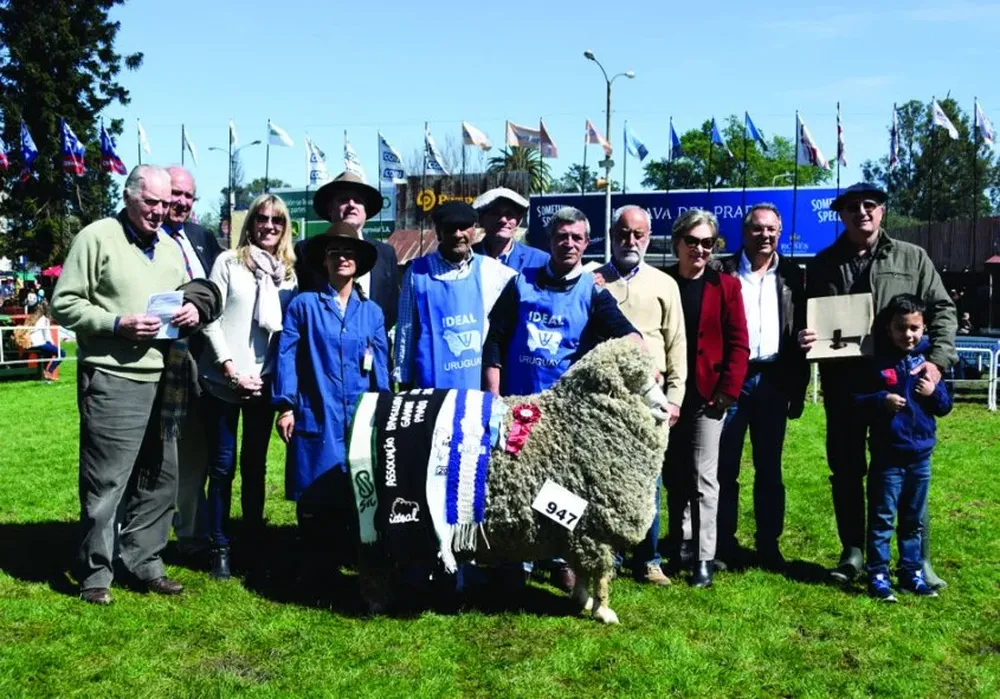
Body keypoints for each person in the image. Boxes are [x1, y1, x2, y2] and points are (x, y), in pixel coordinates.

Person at [51, 165, 202, 605]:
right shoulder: (97, 237)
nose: (159, 210)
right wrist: (116, 324)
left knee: (162, 479)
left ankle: (144, 561)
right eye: (150, 202)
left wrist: (190, 311)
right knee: (107, 482)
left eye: (165, 203)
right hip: (115, 377)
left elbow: (183, 297)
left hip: (165, 376)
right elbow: (64, 303)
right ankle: (96, 573)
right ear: (129, 196)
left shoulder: (171, 249)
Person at [798, 182, 956, 588]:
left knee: (905, 470)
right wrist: (805, 336)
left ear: (882, 211)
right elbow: (806, 318)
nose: (862, 212)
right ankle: (852, 552)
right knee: (846, 469)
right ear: (841, 214)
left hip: (902, 387)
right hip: (845, 386)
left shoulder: (912, 257)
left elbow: (943, 310)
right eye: (852, 207)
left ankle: (917, 560)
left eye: (870, 205)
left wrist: (937, 363)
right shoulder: (822, 265)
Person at [482, 206, 644, 592]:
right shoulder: (520, 283)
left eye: (576, 238)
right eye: (561, 237)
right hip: (519, 408)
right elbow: (495, 341)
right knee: (516, 482)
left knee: (562, 487)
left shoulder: (594, 291)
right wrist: (493, 399)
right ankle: (516, 558)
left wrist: (639, 362)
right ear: (549, 242)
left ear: (586, 243)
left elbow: (628, 336)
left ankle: (560, 559)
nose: (568, 243)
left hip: (566, 417)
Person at [273, 223, 390, 577]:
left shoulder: (372, 312)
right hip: (317, 408)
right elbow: (287, 356)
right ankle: (314, 561)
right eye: (335, 253)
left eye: (349, 253)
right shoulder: (303, 306)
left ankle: (354, 554)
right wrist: (286, 404)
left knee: (359, 485)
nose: (343, 259)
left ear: (359, 263)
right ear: (324, 261)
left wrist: (385, 410)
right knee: (315, 488)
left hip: (359, 414)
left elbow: (380, 365)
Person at [199, 194, 298, 579]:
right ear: (251, 222)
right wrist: (230, 369)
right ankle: (219, 546)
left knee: (254, 467)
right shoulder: (228, 262)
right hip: (223, 380)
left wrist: (265, 376)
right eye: (262, 218)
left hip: (262, 384)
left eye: (277, 219)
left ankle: (253, 541)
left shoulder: (288, 273)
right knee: (222, 467)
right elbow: (209, 319)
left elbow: (287, 335)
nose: (269, 225)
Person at [595, 204, 685, 586]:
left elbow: (676, 343)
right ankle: (608, 555)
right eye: (622, 233)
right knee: (603, 477)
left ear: (649, 237)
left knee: (649, 479)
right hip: (604, 399)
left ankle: (648, 558)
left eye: (638, 234)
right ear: (612, 234)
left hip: (651, 399)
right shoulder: (592, 279)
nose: (630, 241)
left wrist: (676, 396)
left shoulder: (665, 284)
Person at [716, 203, 808, 570]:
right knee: (723, 468)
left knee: (769, 469)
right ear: (744, 232)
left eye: (771, 229)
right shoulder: (719, 270)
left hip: (774, 380)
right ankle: (722, 542)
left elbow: (805, 326)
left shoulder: (794, 276)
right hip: (731, 380)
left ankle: (768, 545)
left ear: (780, 233)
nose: (764, 235)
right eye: (757, 229)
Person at [663, 209, 749, 589]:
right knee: (673, 475)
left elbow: (739, 343)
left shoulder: (727, 286)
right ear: (677, 242)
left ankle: (704, 557)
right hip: (666, 397)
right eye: (692, 242)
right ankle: (679, 544)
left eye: (707, 243)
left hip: (707, 397)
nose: (700, 249)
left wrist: (727, 393)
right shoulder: (661, 281)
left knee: (703, 478)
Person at [853, 294, 952, 601]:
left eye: (914, 328)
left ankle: (911, 572)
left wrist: (933, 391)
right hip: (888, 456)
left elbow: (945, 406)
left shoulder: (928, 364)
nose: (908, 335)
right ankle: (878, 573)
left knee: (912, 519)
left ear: (923, 329)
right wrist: (880, 401)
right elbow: (857, 400)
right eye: (901, 328)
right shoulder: (876, 361)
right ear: (888, 328)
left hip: (920, 457)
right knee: (883, 518)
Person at [162, 165, 224, 558]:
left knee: (196, 452)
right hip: (157, 359)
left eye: (189, 196)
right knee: (155, 449)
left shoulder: (202, 238)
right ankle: (137, 529)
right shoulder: (142, 237)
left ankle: (190, 531)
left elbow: (216, 291)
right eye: (175, 194)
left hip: (200, 363)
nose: (182, 202)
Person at [395, 201, 516, 390]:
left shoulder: (492, 270)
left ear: (474, 230)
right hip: (429, 387)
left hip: (475, 385)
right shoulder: (416, 272)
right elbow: (405, 331)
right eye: (450, 228)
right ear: (438, 231)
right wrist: (403, 381)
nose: (458, 234)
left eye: (464, 227)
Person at [294, 171, 400, 330]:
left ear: (365, 212)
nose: (351, 204)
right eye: (343, 200)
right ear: (330, 209)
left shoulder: (385, 253)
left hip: (371, 348)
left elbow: (391, 309)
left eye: (358, 201)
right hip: (321, 351)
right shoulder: (306, 251)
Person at [471, 187, 550, 272]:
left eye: (510, 214)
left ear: (519, 221)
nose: (503, 220)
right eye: (495, 213)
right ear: (480, 219)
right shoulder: (466, 258)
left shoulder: (539, 261)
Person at [23, 301, 67, 381]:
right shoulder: (44, 319)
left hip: (30, 344)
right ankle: (49, 372)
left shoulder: (32, 318)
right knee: (62, 353)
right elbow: (47, 336)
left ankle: (42, 373)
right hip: (39, 343)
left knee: (49, 352)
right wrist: (53, 345)